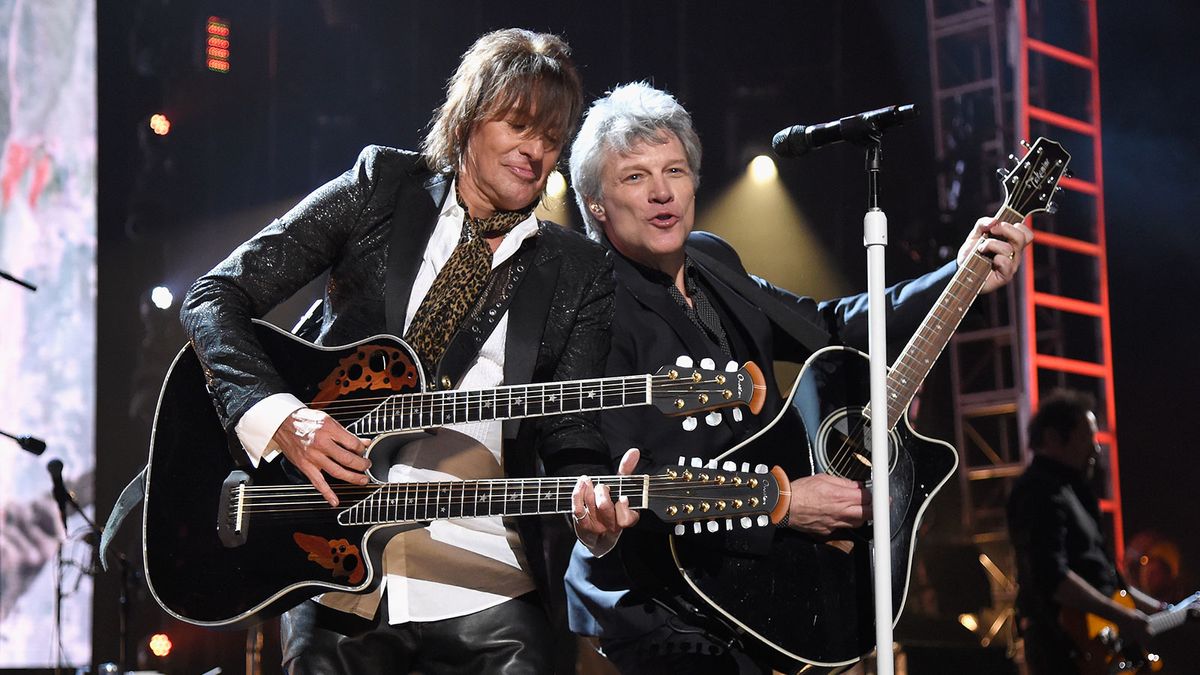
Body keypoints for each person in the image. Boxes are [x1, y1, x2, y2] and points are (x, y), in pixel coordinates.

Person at [180, 28, 634, 674]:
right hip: (333, 558)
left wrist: (595, 509)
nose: (535, 152)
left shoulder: (579, 270)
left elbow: (572, 431)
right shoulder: (380, 188)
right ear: (471, 117)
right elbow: (213, 296)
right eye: (519, 125)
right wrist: (283, 416)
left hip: (487, 573)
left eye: (551, 139)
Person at [562, 81, 1032, 673]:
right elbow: (637, 480)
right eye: (635, 177)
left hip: (752, 593)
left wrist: (958, 278)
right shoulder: (591, 305)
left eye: (675, 170)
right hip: (661, 608)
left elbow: (827, 327)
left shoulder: (710, 258)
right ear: (596, 204)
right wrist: (785, 505)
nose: (662, 193)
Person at [1008, 389, 1170, 675]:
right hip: (1065, 649)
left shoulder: (1074, 492)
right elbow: (1051, 576)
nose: (1096, 449)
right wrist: (1124, 617)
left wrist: (1160, 609)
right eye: (1087, 437)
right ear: (1053, 439)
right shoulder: (1037, 491)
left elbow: (1107, 581)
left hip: (1097, 644)